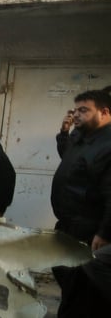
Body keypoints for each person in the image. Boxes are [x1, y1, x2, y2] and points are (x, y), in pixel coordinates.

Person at [52, 89, 111, 249]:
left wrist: (105, 233)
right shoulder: (81, 135)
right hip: (68, 224)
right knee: (63, 269)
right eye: (75, 110)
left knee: (83, 272)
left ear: (104, 113)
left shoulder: (107, 145)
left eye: (83, 110)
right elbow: (67, 158)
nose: (76, 114)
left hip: (91, 230)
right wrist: (64, 132)